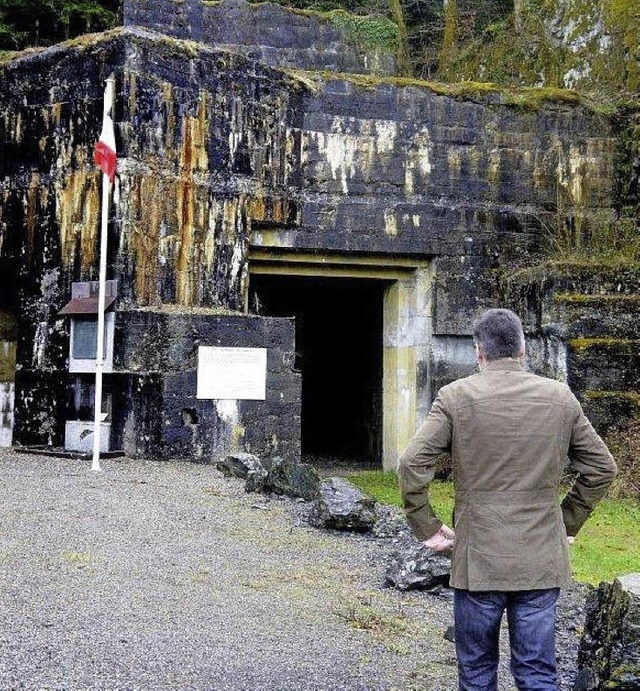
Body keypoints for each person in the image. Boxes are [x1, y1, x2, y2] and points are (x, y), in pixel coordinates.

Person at [398, 308, 617, 690]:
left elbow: (411, 464)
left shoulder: (455, 397)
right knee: (537, 673)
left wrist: (427, 527)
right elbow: (602, 468)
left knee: (477, 672)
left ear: (478, 353)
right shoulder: (559, 396)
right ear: (524, 350)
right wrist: (565, 522)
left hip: (478, 559)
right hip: (539, 560)